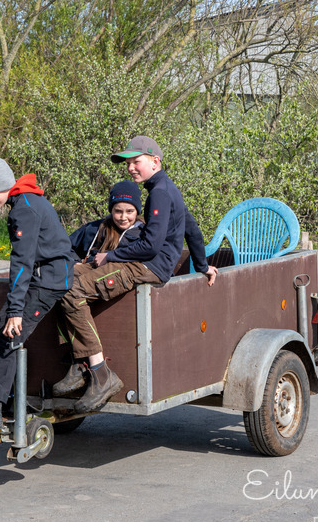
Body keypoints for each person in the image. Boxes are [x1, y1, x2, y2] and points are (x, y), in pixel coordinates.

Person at [55, 135, 211, 414]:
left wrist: (109, 256)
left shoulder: (159, 193)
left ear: (155, 161)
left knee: (71, 291)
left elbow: (150, 245)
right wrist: (202, 265)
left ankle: (100, 374)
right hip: (146, 264)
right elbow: (193, 230)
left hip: (147, 267)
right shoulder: (167, 189)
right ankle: (79, 366)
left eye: (136, 161)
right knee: (64, 281)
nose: (130, 168)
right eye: (128, 163)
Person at [0, 154, 76, 431]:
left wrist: (15, 311)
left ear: (1, 186)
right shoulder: (24, 201)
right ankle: (6, 399)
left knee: (9, 335)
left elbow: (21, 264)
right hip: (45, 275)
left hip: (49, 281)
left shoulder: (24, 209)